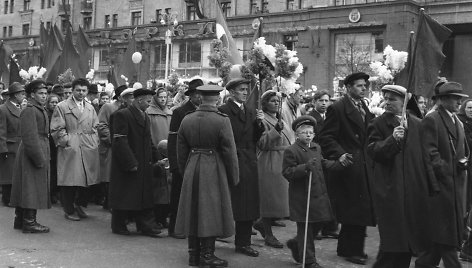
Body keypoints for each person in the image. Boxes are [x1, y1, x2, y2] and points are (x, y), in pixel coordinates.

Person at [367, 85, 430, 268]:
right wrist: (392, 140)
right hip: (391, 188)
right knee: (394, 240)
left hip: (413, 188)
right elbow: (373, 151)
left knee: (406, 242)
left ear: (404, 102)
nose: (387, 102)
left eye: (392, 99)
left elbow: (424, 155)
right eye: (385, 98)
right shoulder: (377, 123)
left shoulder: (418, 123)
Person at [176, 84, 239, 267]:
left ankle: (193, 255)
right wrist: (233, 176)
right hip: (213, 167)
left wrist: (184, 170)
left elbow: (180, 149)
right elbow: (229, 151)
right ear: (217, 98)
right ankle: (207, 255)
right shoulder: (222, 120)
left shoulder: (187, 119)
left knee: (193, 210)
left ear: (200, 97)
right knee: (209, 211)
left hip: (192, 165)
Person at [318, 72, 375, 265]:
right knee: (356, 209)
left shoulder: (363, 106)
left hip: (362, 164)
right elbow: (326, 137)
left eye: (364, 86)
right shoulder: (338, 107)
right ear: (348, 87)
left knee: (357, 208)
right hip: (349, 164)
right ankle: (354, 251)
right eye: (359, 86)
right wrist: (340, 153)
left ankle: (345, 247)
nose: (363, 89)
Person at [417, 82, 469, 268]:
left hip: (456, 185)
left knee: (442, 235)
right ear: (443, 100)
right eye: (455, 99)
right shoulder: (433, 120)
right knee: (446, 235)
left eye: (460, 99)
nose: (458, 103)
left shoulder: (458, 122)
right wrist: (446, 171)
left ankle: (424, 264)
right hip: (440, 186)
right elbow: (430, 153)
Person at [283, 115, 341, 268]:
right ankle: (309, 261)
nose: (308, 135)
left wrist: (338, 164)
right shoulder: (291, 151)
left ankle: (297, 244)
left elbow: (322, 163)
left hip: (318, 194)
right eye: (304, 132)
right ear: (297, 134)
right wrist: (304, 168)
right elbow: (287, 172)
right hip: (303, 196)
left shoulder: (316, 147)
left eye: (311, 132)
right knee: (306, 230)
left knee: (319, 223)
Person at [218, 78, 265, 257]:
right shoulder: (223, 111)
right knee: (229, 202)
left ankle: (243, 243)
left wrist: (259, 125)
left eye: (246, 89)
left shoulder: (251, 111)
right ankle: (215, 235)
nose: (246, 92)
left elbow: (254, 138)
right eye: (241, 89)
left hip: (249, 160)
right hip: (231, 160)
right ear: (231, 92)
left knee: (248, 203)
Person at [108, 88, 162, 238]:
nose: (150, 104)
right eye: (148, 101)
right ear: (139, 100)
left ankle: (145, 225)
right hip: (127, 163)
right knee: (124, 195)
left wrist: (157, 157)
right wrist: (130, 162)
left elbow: (148, 140)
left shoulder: (145, 116)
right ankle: (118, 225)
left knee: (142, 195)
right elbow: (119, 141)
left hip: (143, 162)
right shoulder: (122, 115)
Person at [50, 78, 100, 221]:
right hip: (71, 144)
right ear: (72, 90)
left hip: (88, 145)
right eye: (78, 90)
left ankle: (79, 205)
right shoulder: (62, 106)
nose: (81, 93)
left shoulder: (90, 108)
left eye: (84, 90)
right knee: (69, 180)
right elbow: (57, 127)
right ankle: (69, 210)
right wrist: (66, 141)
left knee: (88, 179)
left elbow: (96, 126)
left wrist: (95, 141)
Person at [254, 89, 294, 248]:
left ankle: (262, 224)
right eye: (272, 101)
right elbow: (262, 143)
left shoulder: (280, 118)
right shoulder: (263, 120)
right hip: (270, 161)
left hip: (282, 160)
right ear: (264, 104)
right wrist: (276, 130)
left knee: (278, 200)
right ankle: (268, 233)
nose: (277, 103)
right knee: (269, 200)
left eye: (278, 101)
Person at [10, 80, 51, 233]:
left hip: (36, 149)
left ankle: (20, 220)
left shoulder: (37, 108)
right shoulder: (30, 109)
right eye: (41, 93)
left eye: (46, 93)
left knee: (27, 186)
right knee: (30, 187)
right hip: (32, 152)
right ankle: (29, 222)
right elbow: (29, 136)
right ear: (32, 94)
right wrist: (39, 158)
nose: (44, 96)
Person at [167, 78, 203, 238]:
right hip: (183, 160)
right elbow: (173, 140)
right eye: (197, 94)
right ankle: (175, 228)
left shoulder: (206, 111)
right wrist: (175, 164)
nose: (200, 97)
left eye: (203, 94)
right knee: (178, 196)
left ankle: (193, 227)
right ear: (190, 95)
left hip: (200, 161)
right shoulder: (179, 112)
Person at [96, 85, 127, 210]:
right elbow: (101, 125)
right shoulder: (108, 107)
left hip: (123, 146)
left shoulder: (129, 109)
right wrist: (112, 140)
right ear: (120, 97)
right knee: (109, 175)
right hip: (110, 147)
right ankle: (108, 201)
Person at [146, 87, 172, 228]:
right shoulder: (149, 113)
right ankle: (155, 217)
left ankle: (163, 216)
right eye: (160, 97)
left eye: (165, 96)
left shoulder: (170, 112)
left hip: (168, 152)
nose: (163, 99)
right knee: (157, 187)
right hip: (156, 151)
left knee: (168, 187)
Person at [0, 82, 26, 207]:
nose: (24, 95)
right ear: (15, 95)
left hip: (20, 144)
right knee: (8, 175)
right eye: (22, 93)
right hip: (10, 146)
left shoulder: (21, 107)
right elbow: (1, 131)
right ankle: (7, 198)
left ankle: (14, 198)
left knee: (17, 174)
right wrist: (3, 149)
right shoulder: (3, 109)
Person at [46, 94, 60, 204]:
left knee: (56, 170)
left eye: (56, 102)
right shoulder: (46, 114)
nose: (54, 104)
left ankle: (54, 193)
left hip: (57, 146)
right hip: (49, 145)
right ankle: (49, 193)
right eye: (52, 102)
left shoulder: (59, 114)